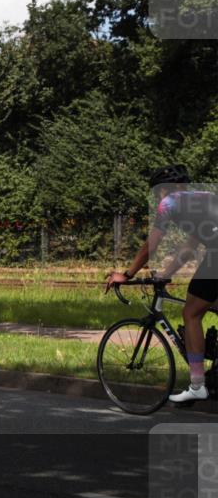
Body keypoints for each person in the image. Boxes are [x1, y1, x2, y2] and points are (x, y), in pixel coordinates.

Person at [105, 164, 218, 403]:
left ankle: (198, 385)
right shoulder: (204, 199)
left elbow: (151, 246)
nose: (159, 197)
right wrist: (166, 274)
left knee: (191, 313)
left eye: (158, 192)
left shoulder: (170, 202)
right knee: (208, 303)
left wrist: (127, 274)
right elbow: (188, 248)